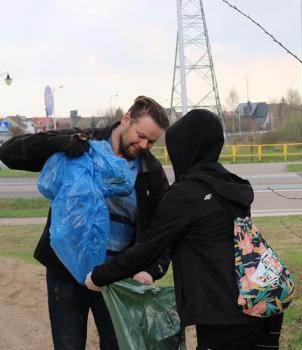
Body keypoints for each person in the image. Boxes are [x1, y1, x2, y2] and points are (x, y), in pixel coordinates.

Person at [85, 109, 284, 349]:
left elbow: (146, 249)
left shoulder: (185, 195)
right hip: (262, 306)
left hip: (223, 315)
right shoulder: (230, 186)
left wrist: (98, 277)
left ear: (185, 148)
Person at [0, 96, 171, 349]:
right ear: (126, 119)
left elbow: (163, 228)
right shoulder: (83, 142)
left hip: (116, 278)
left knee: (117, 345)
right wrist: (57, 143)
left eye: (152, 141)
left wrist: (153, 269)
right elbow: (9, 153)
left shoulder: (151, 171)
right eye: (141, 135)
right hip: (65, 274)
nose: (144, 145)